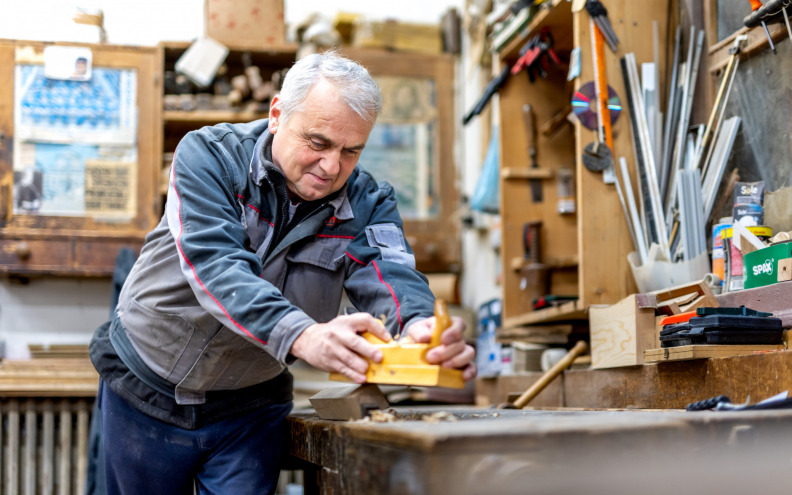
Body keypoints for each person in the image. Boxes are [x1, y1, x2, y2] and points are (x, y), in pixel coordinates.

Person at [89, 50, 476, 495]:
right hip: (147, 387)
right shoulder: (209, 158)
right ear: (277, 114)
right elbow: (217, 266)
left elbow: (391, 273)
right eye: (318, 142)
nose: (332, 167)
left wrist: (420, 327)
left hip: (250, 405)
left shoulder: (368, 201)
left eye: (352, 151)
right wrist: (302, 335)